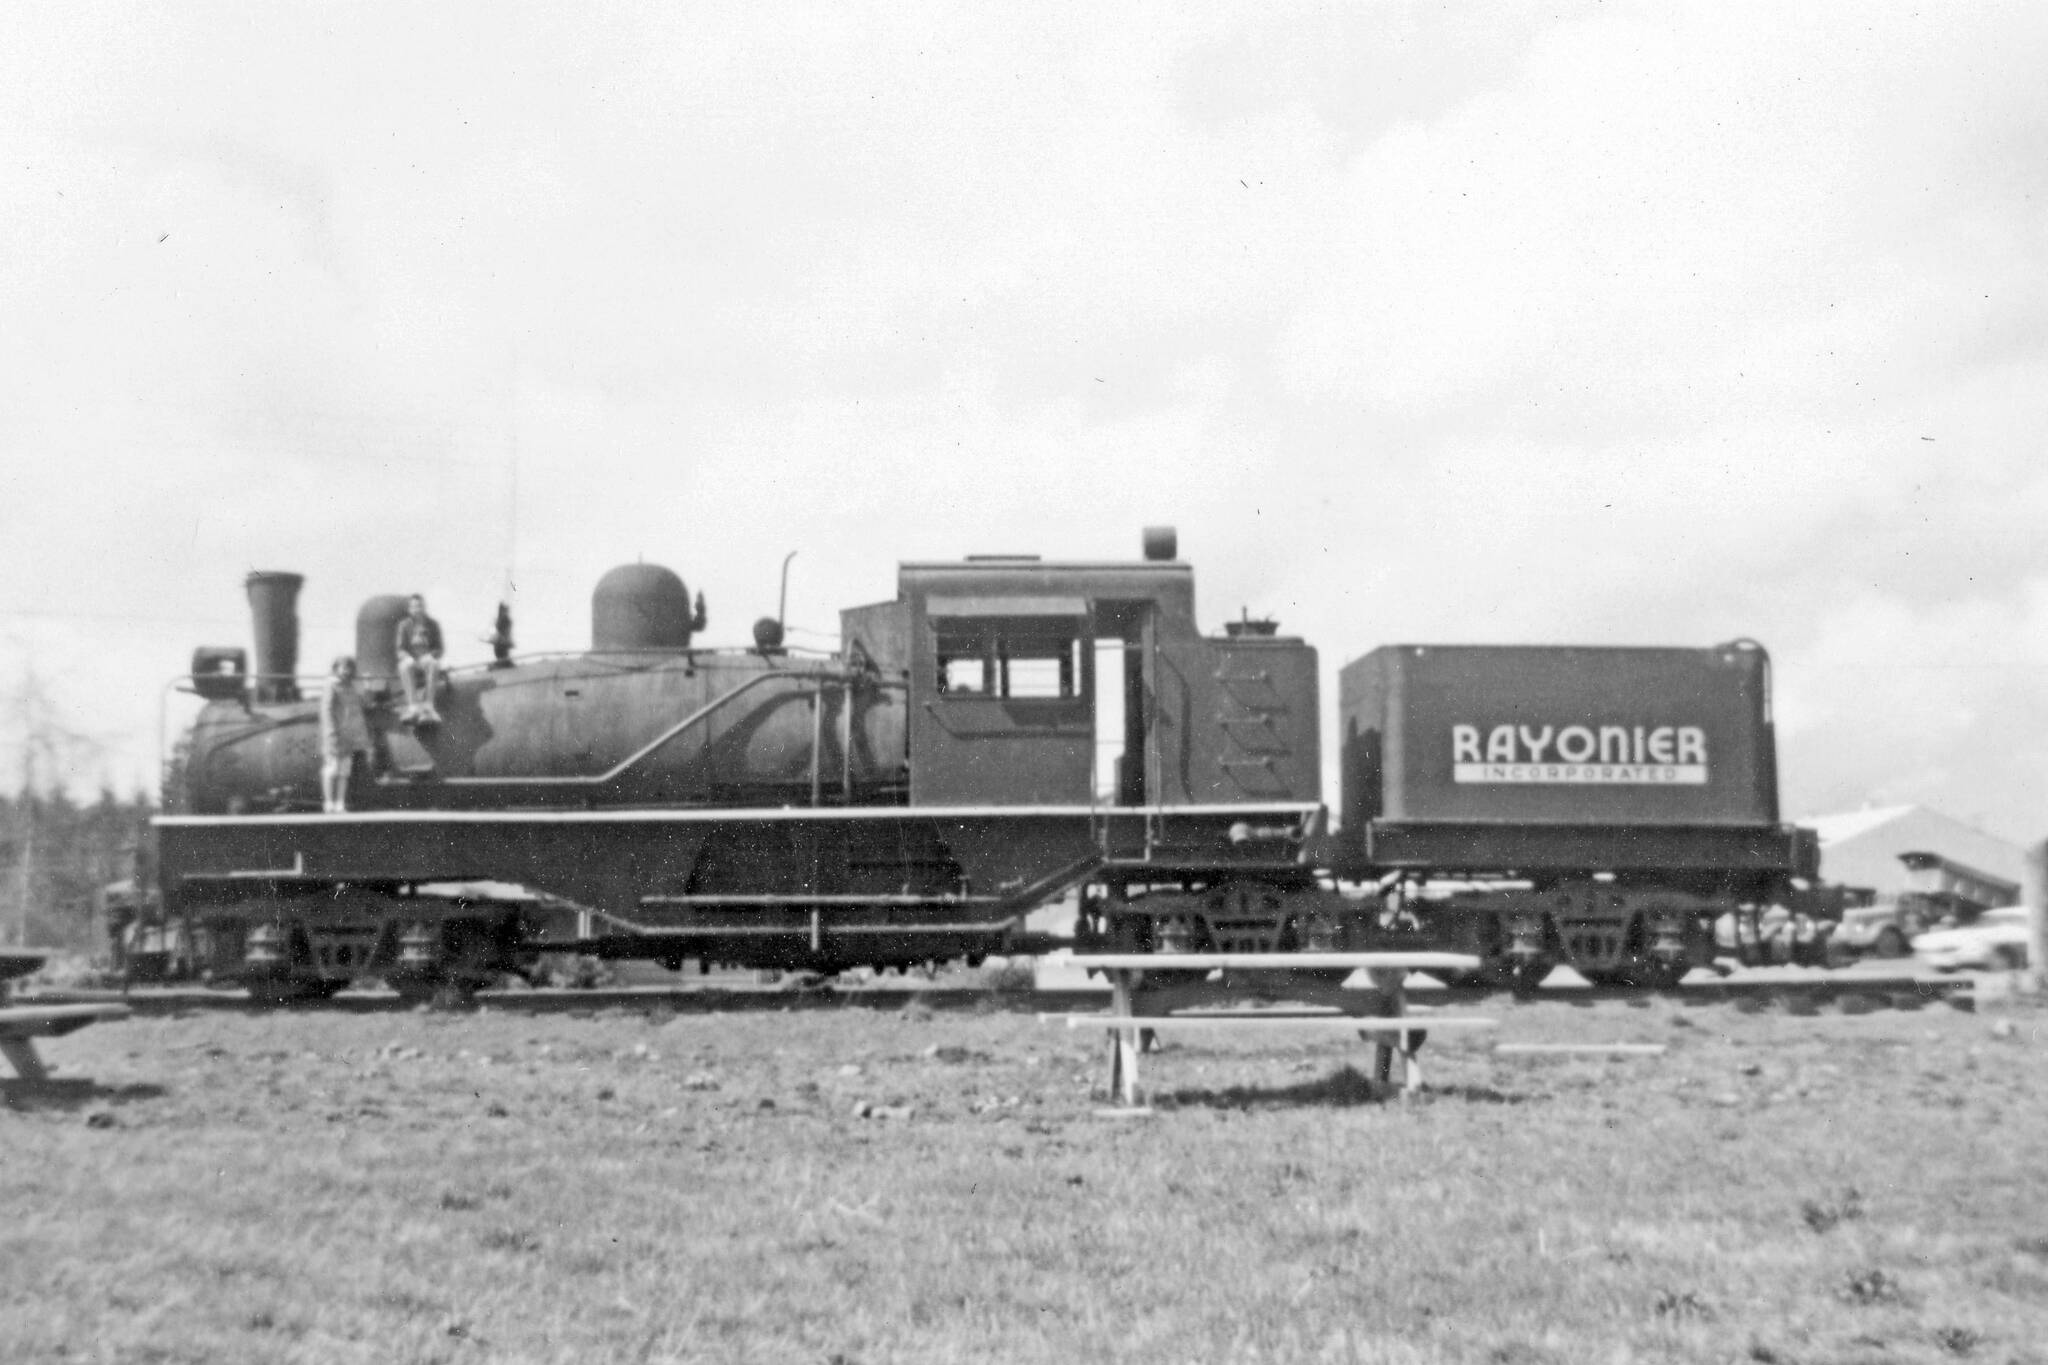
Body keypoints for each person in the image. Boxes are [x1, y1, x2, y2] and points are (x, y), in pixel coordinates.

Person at [319, 656, 373, 812]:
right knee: (332, 769)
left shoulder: (351, 687)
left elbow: (366, 703)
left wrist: (367, 684)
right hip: (336, 734)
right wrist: (331, 732)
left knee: (344, 772)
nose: (346, 671)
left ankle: (340, 803)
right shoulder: (331, 685)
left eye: (349, 668)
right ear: (336, 669)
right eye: (343, 667)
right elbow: (326, 709)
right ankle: (329, 802)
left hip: (350, 735)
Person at [395, 594, 445, 724]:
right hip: (411, 659)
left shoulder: (433, 625)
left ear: (424, 607)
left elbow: (439, 648)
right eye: (414, 606)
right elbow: (400, 649)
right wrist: (408, 657)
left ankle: (429, 707)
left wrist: (431, 655)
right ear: (409, 609)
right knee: (404, 666)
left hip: (426, 659)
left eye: (419, 606)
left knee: (434, 663)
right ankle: (413, 707)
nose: (417, 609)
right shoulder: (404, 625)